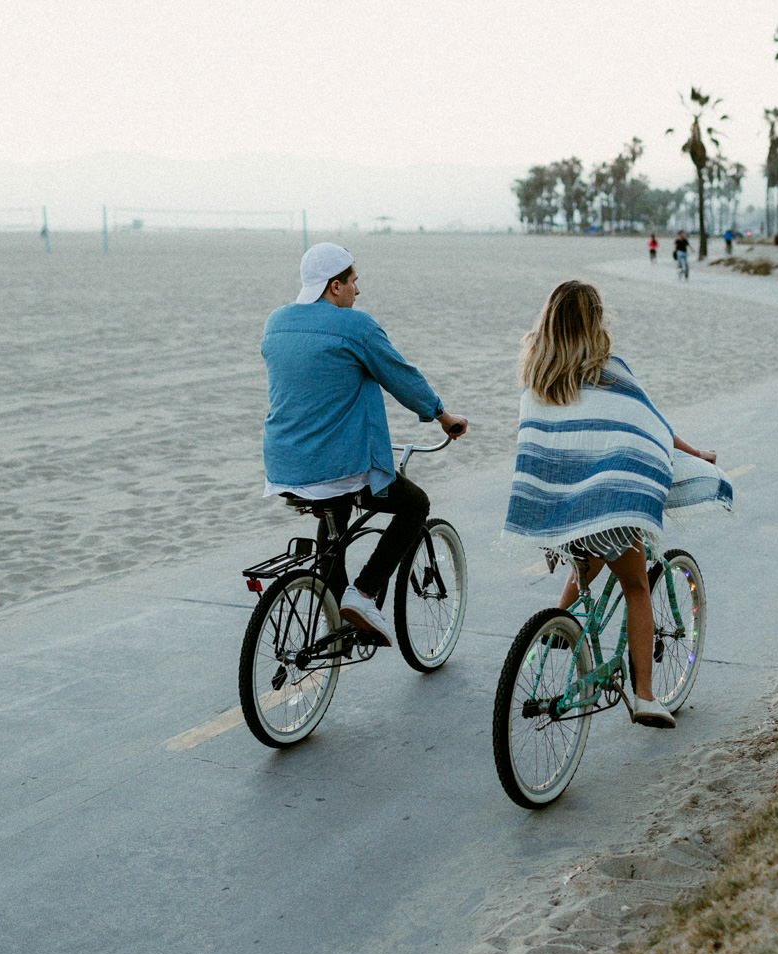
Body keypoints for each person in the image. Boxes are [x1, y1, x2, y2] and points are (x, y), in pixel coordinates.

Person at [504, 280, 730, 728]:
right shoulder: (609, 372)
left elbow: (540, 445)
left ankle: (560, 629)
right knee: (636, 586)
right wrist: (695, 454)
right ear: (594, 323)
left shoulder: (538, 377)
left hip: (555, 506)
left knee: (591, 551)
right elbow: (652, 427)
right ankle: (645, 695)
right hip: (601, 507)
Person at [261, 242, 468, 645]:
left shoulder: (276, 322)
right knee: (415, 505)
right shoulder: (355, 327)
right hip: (339, 465)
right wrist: (444, 417)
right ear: (334, 286)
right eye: (354, 281)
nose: (359, 290)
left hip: (283, 464)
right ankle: (364, 592)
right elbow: (401, 377)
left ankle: (333, 616)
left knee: (333, 513)